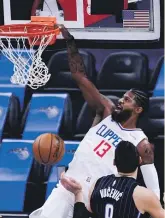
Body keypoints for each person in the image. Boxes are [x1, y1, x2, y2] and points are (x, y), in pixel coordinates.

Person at [29, 26, 160, 218]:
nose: (121, 100)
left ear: (138, 110)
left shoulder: (141, 143)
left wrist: (153, 204)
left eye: (127, 100)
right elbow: (80, 77)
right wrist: (70, 43)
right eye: (122, 97)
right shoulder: (105, 111)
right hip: (66, 189)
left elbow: (153, 185)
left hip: (94, 200)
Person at [61, 141, 164, 218]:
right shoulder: (142, 194)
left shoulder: (98, 184)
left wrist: (78, 193)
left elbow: (83, 215)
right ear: (139, 160)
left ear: (114, 162)